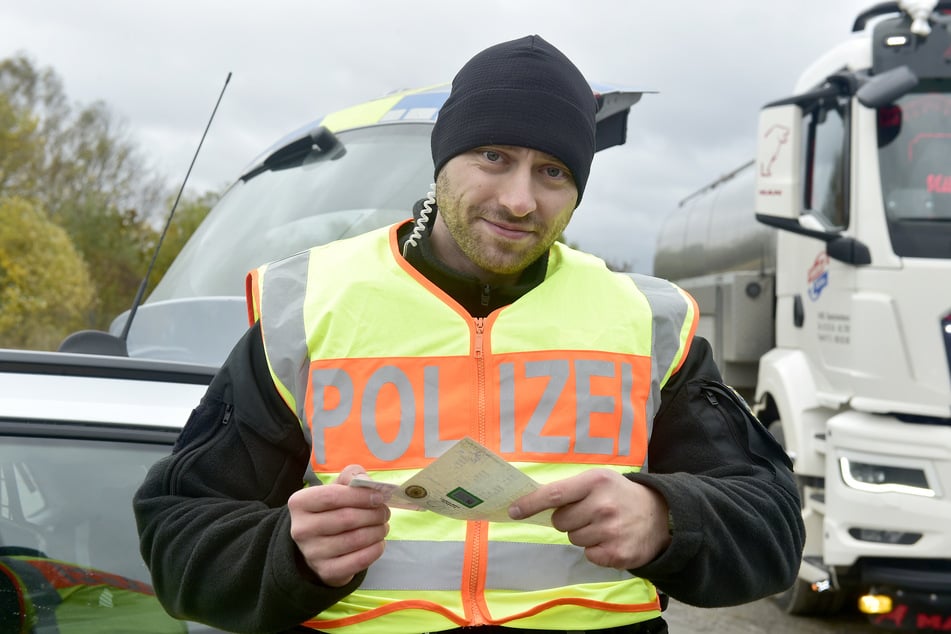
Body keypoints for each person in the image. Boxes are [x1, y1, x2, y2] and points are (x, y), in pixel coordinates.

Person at [134, 35, 804, 634]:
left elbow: (774, 531)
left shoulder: (647, 322)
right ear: (441, 160)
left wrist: (667, 518)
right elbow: (179, 536)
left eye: (552, 172)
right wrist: (285, 551)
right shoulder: (308, 306)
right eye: (493, 156)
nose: (519, 199)